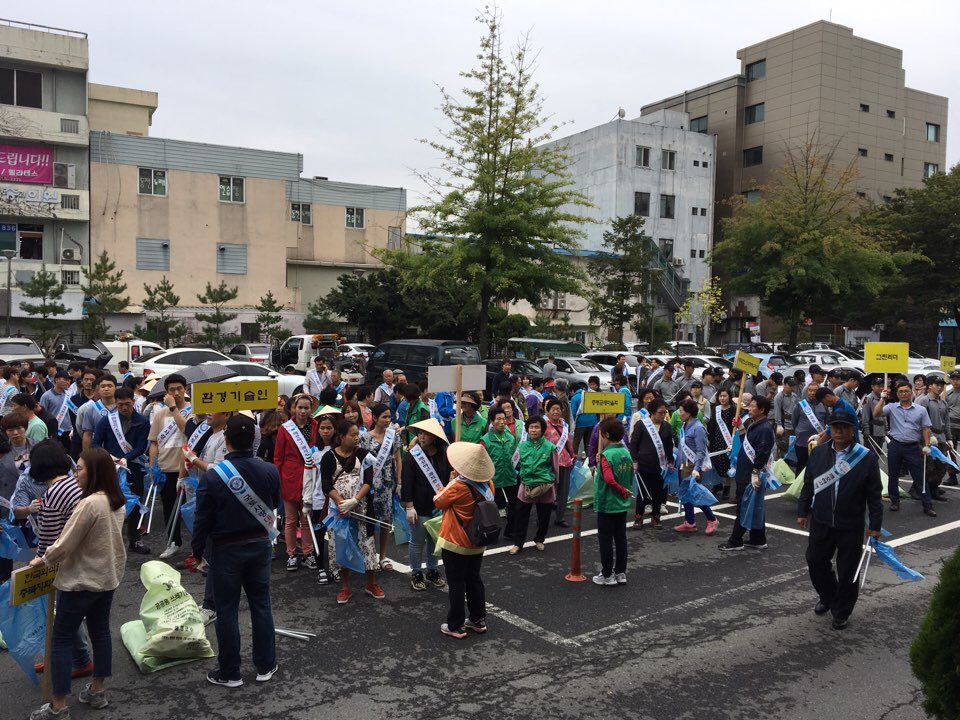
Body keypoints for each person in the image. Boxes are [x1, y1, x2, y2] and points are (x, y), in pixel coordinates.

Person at [28, 448, 127, 718]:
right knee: (101, 633)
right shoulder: (115, 500)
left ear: (94, 471)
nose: (76, 473)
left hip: (80, 580)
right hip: (107, 578)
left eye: (80, 468)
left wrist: (42, 560)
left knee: (61, 639)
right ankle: (97, 691)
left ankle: (58, 706)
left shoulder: (90, 503)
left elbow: (63, 543)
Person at [192, 416, 280, 687]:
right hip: (259, 544)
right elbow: (274, 503)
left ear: (226, 441)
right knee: (261, 604)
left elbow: (202, 517)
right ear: (254, 440)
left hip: (225, 548)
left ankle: (230, 672)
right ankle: (265, 665)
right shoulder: (269, 470)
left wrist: (197, 551)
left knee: (227, 609)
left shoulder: (214, 474)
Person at [797, 410, 882, 630]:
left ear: (852, 430)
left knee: (848, 570)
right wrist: (802, 510)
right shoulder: (818, 453)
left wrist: (875, 525)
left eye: (844, 427)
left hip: (850, 523)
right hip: (822, 519)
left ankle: (841, 610)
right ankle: (828, 595)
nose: (839, 431)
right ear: (830, 430)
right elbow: (808, 483)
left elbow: (874, 495)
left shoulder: (866, 457)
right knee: (815, 561)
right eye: (835, 427)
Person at [434, 441, 496, 639]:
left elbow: (438, 500)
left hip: (456, 541)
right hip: (477, 541)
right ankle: (478, 619)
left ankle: (455, 624)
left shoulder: (459, 486)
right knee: (474, 579)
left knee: (456, 583)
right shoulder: (488, 484)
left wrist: (451, 481)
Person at [321, 418, 381, 603]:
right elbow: (326, 485)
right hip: (339, 511)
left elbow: (368, 481)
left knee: (368, 543)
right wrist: (341, 503)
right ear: (341, 437)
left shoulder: (364, 454)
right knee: (341, 544)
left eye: (358, 435)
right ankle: (345, 586)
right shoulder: (328, 457)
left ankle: (371, 583)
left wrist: (355, 500)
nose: (357, 438)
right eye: (352, 435)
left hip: (362, 508)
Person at [92, 387, 151, 555]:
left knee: (136, 503)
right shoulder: (106, 421)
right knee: (110, 505)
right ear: (115, 403)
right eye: (120, 405)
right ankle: (109, 542)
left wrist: (127, 457)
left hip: (134, 468)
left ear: (133, 401)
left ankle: (135, 539)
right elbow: (96, 443)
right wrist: (108, 456)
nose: (124, 408)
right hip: (112, 468)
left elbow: (141, 446)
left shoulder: (142, 421)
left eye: (127, 404)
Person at [720, 396, 776, 551]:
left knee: (743, 507)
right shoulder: (754, 424)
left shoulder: (764, 429)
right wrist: (740, 428)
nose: (749, 409)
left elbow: (762, 453)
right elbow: (747, 444)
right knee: (754, 506)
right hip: (744, 472)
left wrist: (755, 472)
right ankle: (758, 539)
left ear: (762, 409)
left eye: (752, 406)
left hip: (750, 475)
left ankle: (735, 540)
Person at [873, 381, 936, 517]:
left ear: (911, 392)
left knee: (919, 477)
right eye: (900, 391)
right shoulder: (892, 407)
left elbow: (926, 428)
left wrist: (927, 445)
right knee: (893, 475)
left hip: (913, 447)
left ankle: (927, 504)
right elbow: (876, 413)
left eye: (906, 391)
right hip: (895, 445)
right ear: (897, 394)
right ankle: (895, 501)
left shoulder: (920, 410)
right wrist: (882, 398)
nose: (903, 394)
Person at [401, 417, 450, 591]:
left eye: (426, 434)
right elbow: (406, 482)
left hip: (439, 505)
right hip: (419, 506)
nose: (421, 437)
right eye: (420, 433)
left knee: (434, 540)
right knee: (417, 541)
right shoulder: (412, 456)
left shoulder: (444, 453)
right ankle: (416, 572)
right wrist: (409, 506)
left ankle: (432, 570)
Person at [148, 373, 192, 559]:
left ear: (185, 390)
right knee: (168, 508)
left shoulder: (193, 411)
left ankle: (197, 547)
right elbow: (154, 442)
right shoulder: (159, 414)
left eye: (179, 389)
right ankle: (173, 542)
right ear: (166, 392)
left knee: (190, 508)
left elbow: (186, 430)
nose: (176, 392)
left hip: (187, 469)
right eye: (172, 390)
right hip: (166, 468)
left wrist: (174, 409)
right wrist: (152, 467)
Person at [273, 394, 318, 571]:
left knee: (306, 518)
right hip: (290, 476)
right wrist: (278, 479)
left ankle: (308, 552)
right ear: (294, 408)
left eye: (306, 408)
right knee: (291, 519)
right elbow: (278, 457)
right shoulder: (285, 428)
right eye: (300, 407)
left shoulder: (316, 426)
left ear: (311, 409)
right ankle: (291, 554)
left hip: (310, 476)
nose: (303, 411)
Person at [359, 402, 402, 569]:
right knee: (368, 520)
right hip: (369, 484)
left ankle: (383, 556)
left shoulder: (393, 435)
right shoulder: (364, 437)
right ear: (375, 418)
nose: (387, 420)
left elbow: (398, 458)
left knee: (385, 521)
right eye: (384, 417)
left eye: (389, 417)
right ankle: (368, 555)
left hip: (387, 483)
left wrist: (399, 481)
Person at [593, 418, 633, 586]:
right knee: (620, 538)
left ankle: (607, 574)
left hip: (607, 502)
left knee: (606, 539)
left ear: (607, 435)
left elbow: (609, 480)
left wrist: (621, 490)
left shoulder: (607, 455)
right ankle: (620, 572)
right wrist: (625, 491)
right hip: (622, 504)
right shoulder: (626, 452)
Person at [673, 399, 720, 535]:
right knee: (685, 493)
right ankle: (690, 522)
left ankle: (712, 519)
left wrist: (696, 468)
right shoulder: (685, 425)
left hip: (692, 465)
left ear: (688, 413)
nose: (679, 413)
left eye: (681, 411)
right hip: (683, 464)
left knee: (695, 493)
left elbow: (701, 451)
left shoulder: (698, 428)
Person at [511, 416, 556, 554]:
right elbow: (516, 464)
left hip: (545, 487)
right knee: (521, 515)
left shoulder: (550, 447)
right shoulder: (522, 446)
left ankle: (540, 539)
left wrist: (551, 483)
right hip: (526, 486)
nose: (533, 430)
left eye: (537, 427)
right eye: (531, 427)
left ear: (542, 430)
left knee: (544, 516)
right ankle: (518, 543)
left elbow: (555, 469)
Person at [629, 398, 674, 529]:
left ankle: (656, 517)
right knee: (642, 493)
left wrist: (670, 460)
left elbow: (669, 446)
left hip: (660, 466)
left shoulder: (666, 426)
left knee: (658, 493)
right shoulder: (641, 425)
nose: (663, 415)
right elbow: (634, 443)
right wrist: (635, 459)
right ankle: (638, 517)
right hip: (643, 465)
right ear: (652, 413)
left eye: (665, 412)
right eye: (660, 412)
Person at [479, 406, 520, 542]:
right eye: (499, 419)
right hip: (493, 480)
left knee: (514, 506)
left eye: (504, 419)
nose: (502, 422)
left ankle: (510, 531)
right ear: (492, 421)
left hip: (510, 478)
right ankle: (493, 534)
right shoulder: (485, 440)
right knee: (494, 509)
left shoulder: (510, 437)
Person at [916, 375, 950, 503]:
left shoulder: (943, 402)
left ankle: (934, 489)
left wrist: (949, 438)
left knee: (942, 466)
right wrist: (926, 439)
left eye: (942, 385)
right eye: (937, 384)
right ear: (930, 386)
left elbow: (946, 423)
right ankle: (924, 491)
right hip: (928, 438)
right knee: (928, 467)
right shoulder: (923, 401)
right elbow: (918, 421)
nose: (940, 387)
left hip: (941, 438)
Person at [544, 397, 574, 528]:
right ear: (548, 411)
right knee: (546, 491)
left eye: (558, 409)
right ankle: (543, 517)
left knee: (563, 492)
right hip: (548, 463)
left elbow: (569, 444)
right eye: (553, 409)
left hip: (564, 462)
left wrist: (573, 456)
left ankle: (560, 517)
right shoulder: (543, 425)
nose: (556, 412)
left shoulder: (564, 426)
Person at [791, 383, 826, 474]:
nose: (812, 393)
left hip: (819, 441)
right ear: (807, 392)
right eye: (810, 390)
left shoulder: (824, 405)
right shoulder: (800, 405)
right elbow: (794, 421)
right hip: (802, 442)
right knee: (801, 466)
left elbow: (827, 421)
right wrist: (799, 432)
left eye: (815, 390)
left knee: (816, 465)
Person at [39, 370, 74, 452]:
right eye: (64, 379)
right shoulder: (46, 396)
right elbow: (42, 414)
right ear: (56, 380)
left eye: (68, 380)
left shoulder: (69, 395)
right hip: (54, 431)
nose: (67, 382)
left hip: (68, 431)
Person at [570, 376, 600, 456]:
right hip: (592, 422)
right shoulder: (589, 395)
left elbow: (573, 413)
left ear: (573, 390)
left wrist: (572, 425)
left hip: (580, 424)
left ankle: (574, 459)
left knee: (576, 442)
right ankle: (588, 460)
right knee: (589, 443)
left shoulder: (574, 398)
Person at [861, 376, 888, 460]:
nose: (881, 388)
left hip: (881, 429)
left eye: (882, 386)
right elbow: (865, 415)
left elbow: (884, 415)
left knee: (877, 454)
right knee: (870, 454)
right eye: (878, 386)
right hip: (872, 428)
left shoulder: (883, 397)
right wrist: (866, 429)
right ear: (872, 387)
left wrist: (886, 428)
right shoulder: (868, 398)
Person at [774, 376, 799, 459]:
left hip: (794, 425)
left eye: (793, 386)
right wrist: (779, 425)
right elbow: (777, 411)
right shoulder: (779, 397)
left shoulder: (795, 396)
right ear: (784, 385)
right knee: (784, 446)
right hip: (784, 426)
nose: (792, 388)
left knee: (792, 446)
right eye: (790, 385)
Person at [945, 370, 960, 486]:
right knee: (950, 451)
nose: (955, 381)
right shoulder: (947, 393)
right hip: (951, 426)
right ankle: (952, 476)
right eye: (953, 379)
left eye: (958, 379)